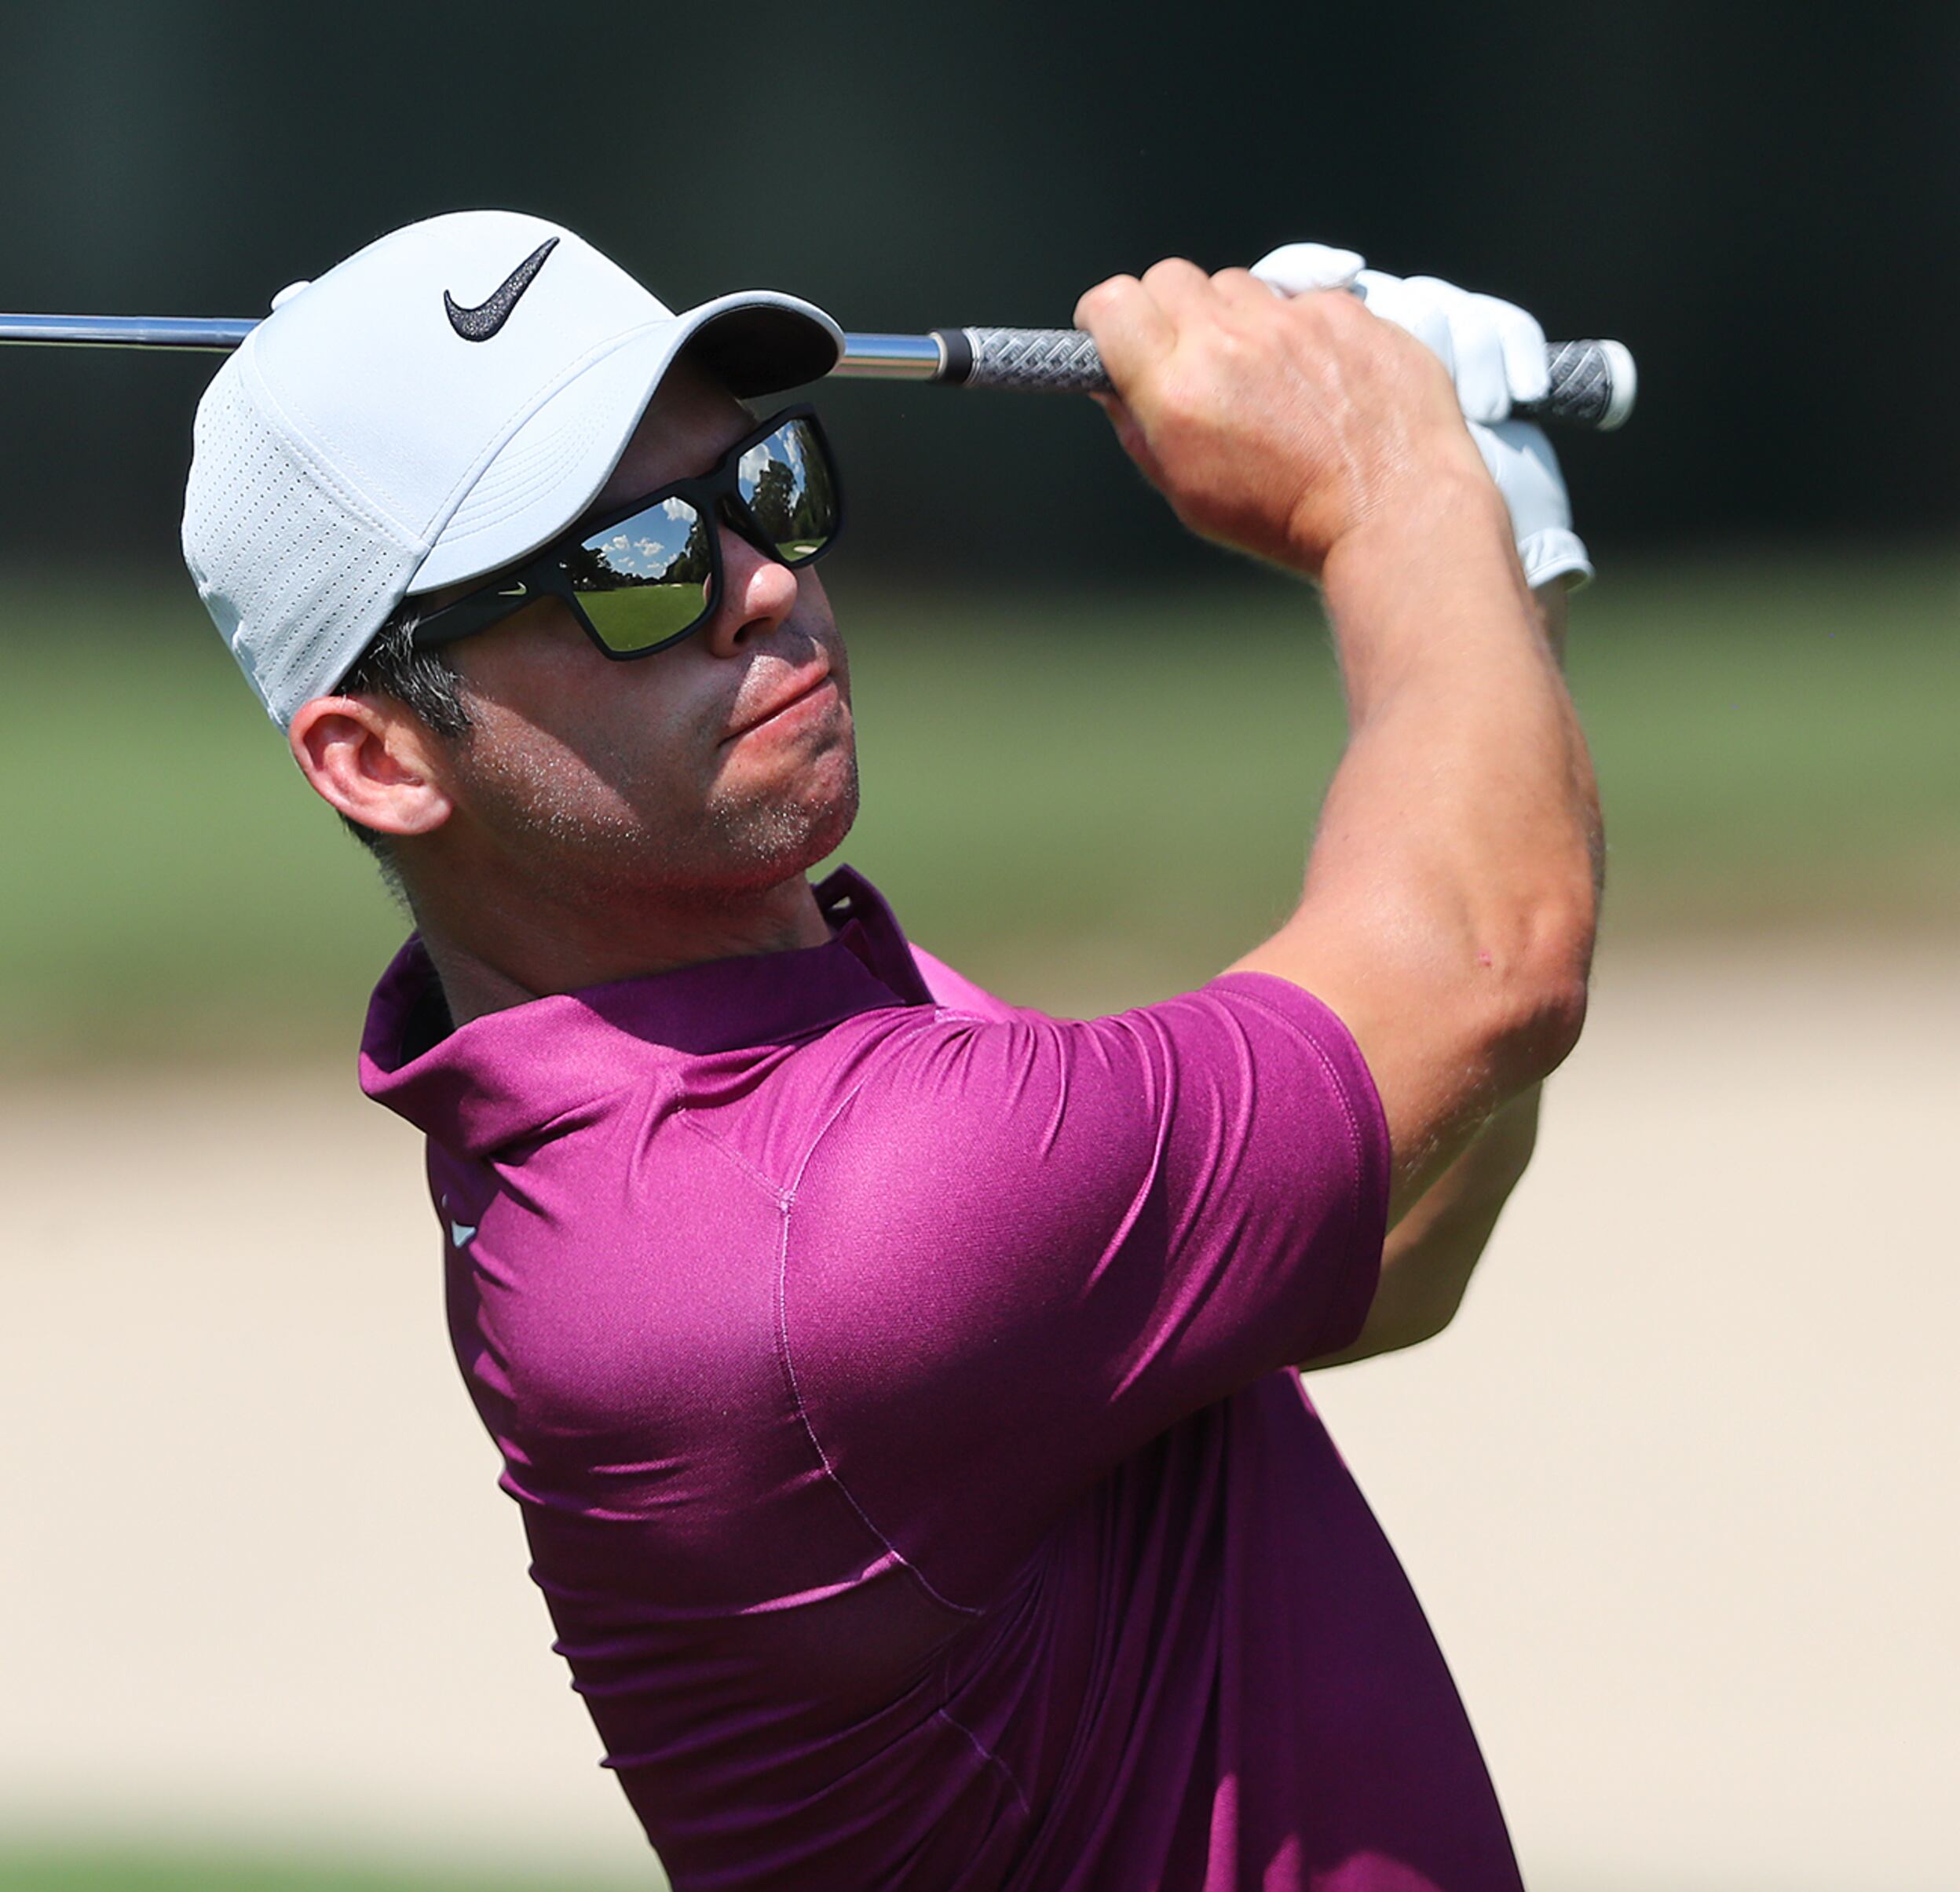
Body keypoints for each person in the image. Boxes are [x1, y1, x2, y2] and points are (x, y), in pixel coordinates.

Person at [179, 210, 1600, 1891]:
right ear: (381, 754)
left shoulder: (730, 1045)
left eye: (765, 484)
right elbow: (1488, 964)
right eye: (629, 569)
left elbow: (1386, 1244)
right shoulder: (829, 1218)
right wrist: (1398, 486)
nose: (763, 585)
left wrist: (1479, 550)